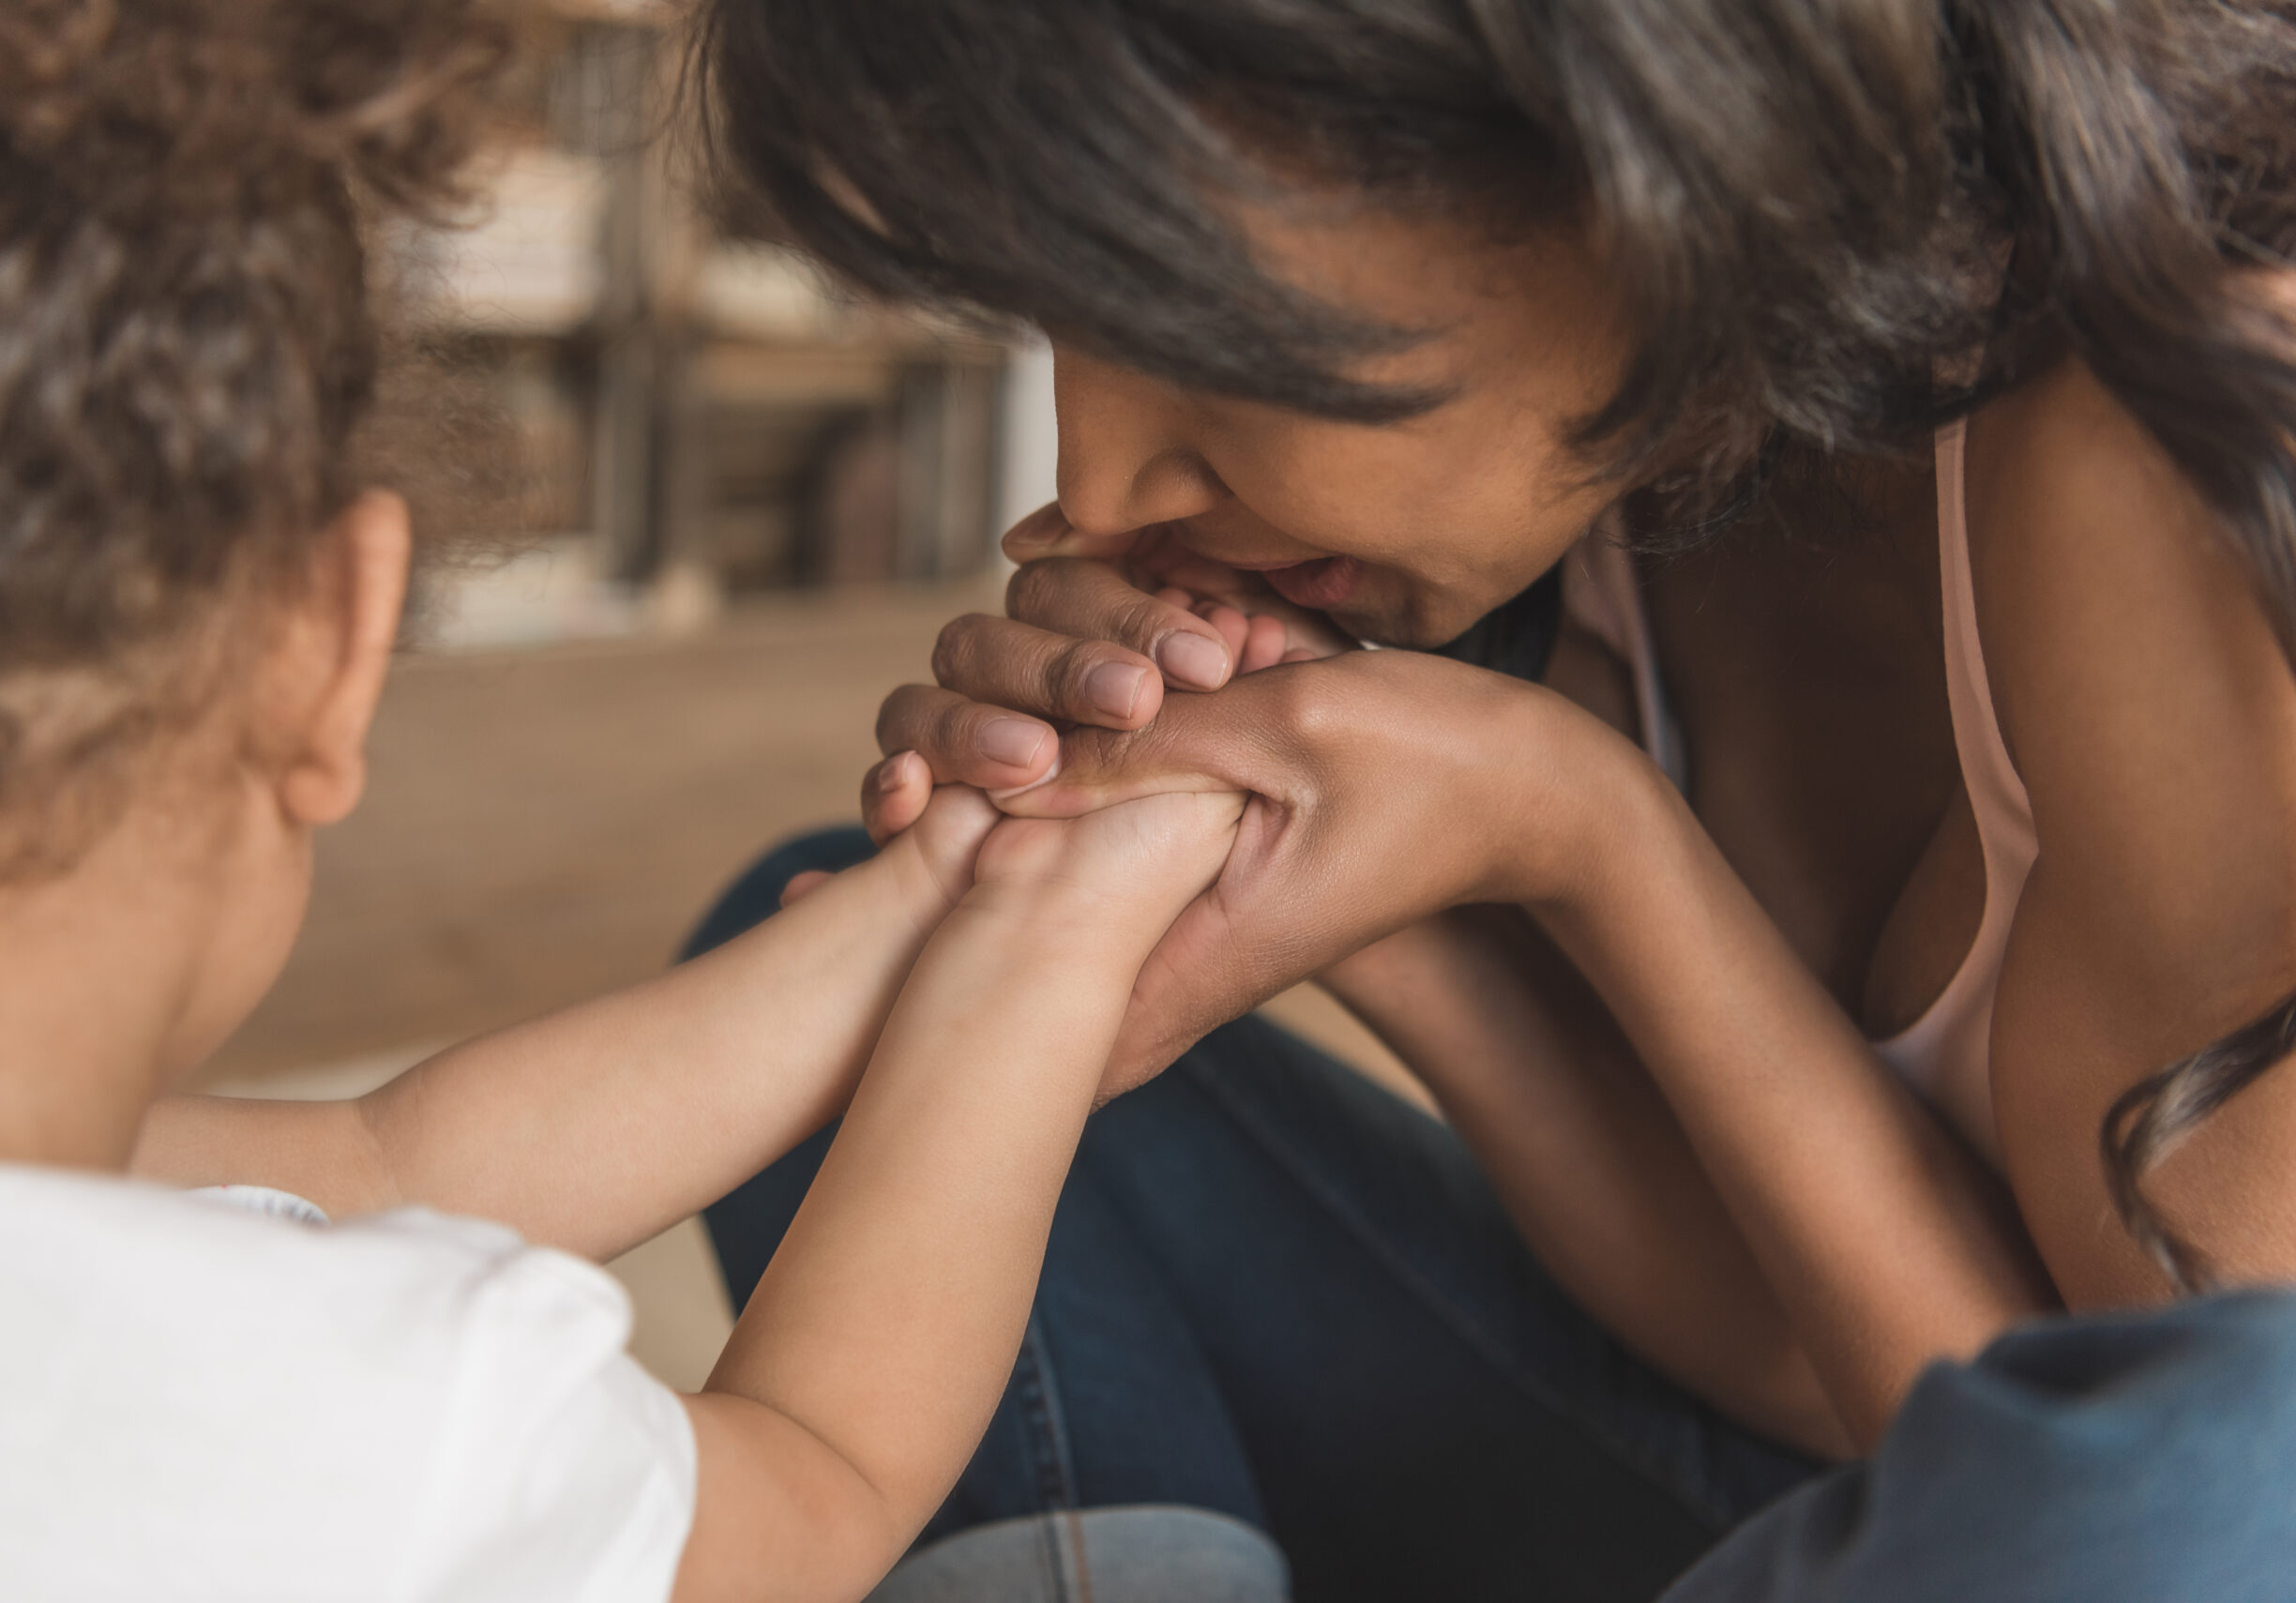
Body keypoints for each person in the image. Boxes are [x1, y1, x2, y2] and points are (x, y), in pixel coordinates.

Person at [690, 0, 2296, 1595]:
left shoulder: (2188, 442)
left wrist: (1584, 828)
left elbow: (2143, 1495)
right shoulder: (1623, 455)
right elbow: (1798, 1359)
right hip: (1817, 1479)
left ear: (1640, 129)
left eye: (1196, 324)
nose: (1099, 484)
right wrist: (1318, 853)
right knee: (853, 1004)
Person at [0, 6, 1263, 1601]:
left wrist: (935, 884)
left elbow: (387, 1160)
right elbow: (818, 1473)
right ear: (322, 639)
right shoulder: (388, 1421)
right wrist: (1054, 943)